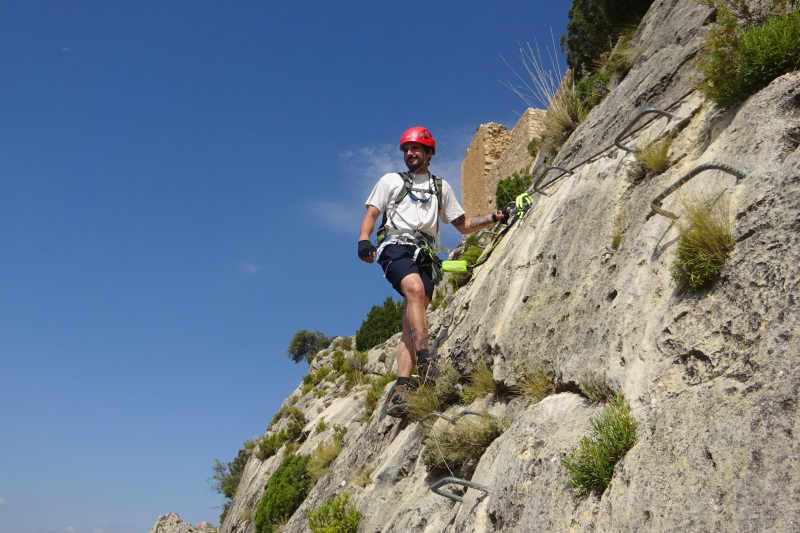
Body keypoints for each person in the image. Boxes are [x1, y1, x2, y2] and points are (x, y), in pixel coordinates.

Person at [357, 126, 507, 417]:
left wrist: (494, 217)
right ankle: (426, 363)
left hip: (426, 255)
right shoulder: (391, 180)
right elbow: (372, 214)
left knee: (412, 324)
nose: (410, 154)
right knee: (413, 289)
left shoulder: (441, 188)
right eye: (406, 150)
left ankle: (401, 389)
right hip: (396, 246)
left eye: (415, 149)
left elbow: (462, 225)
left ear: (428, 153)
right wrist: (364, 239)